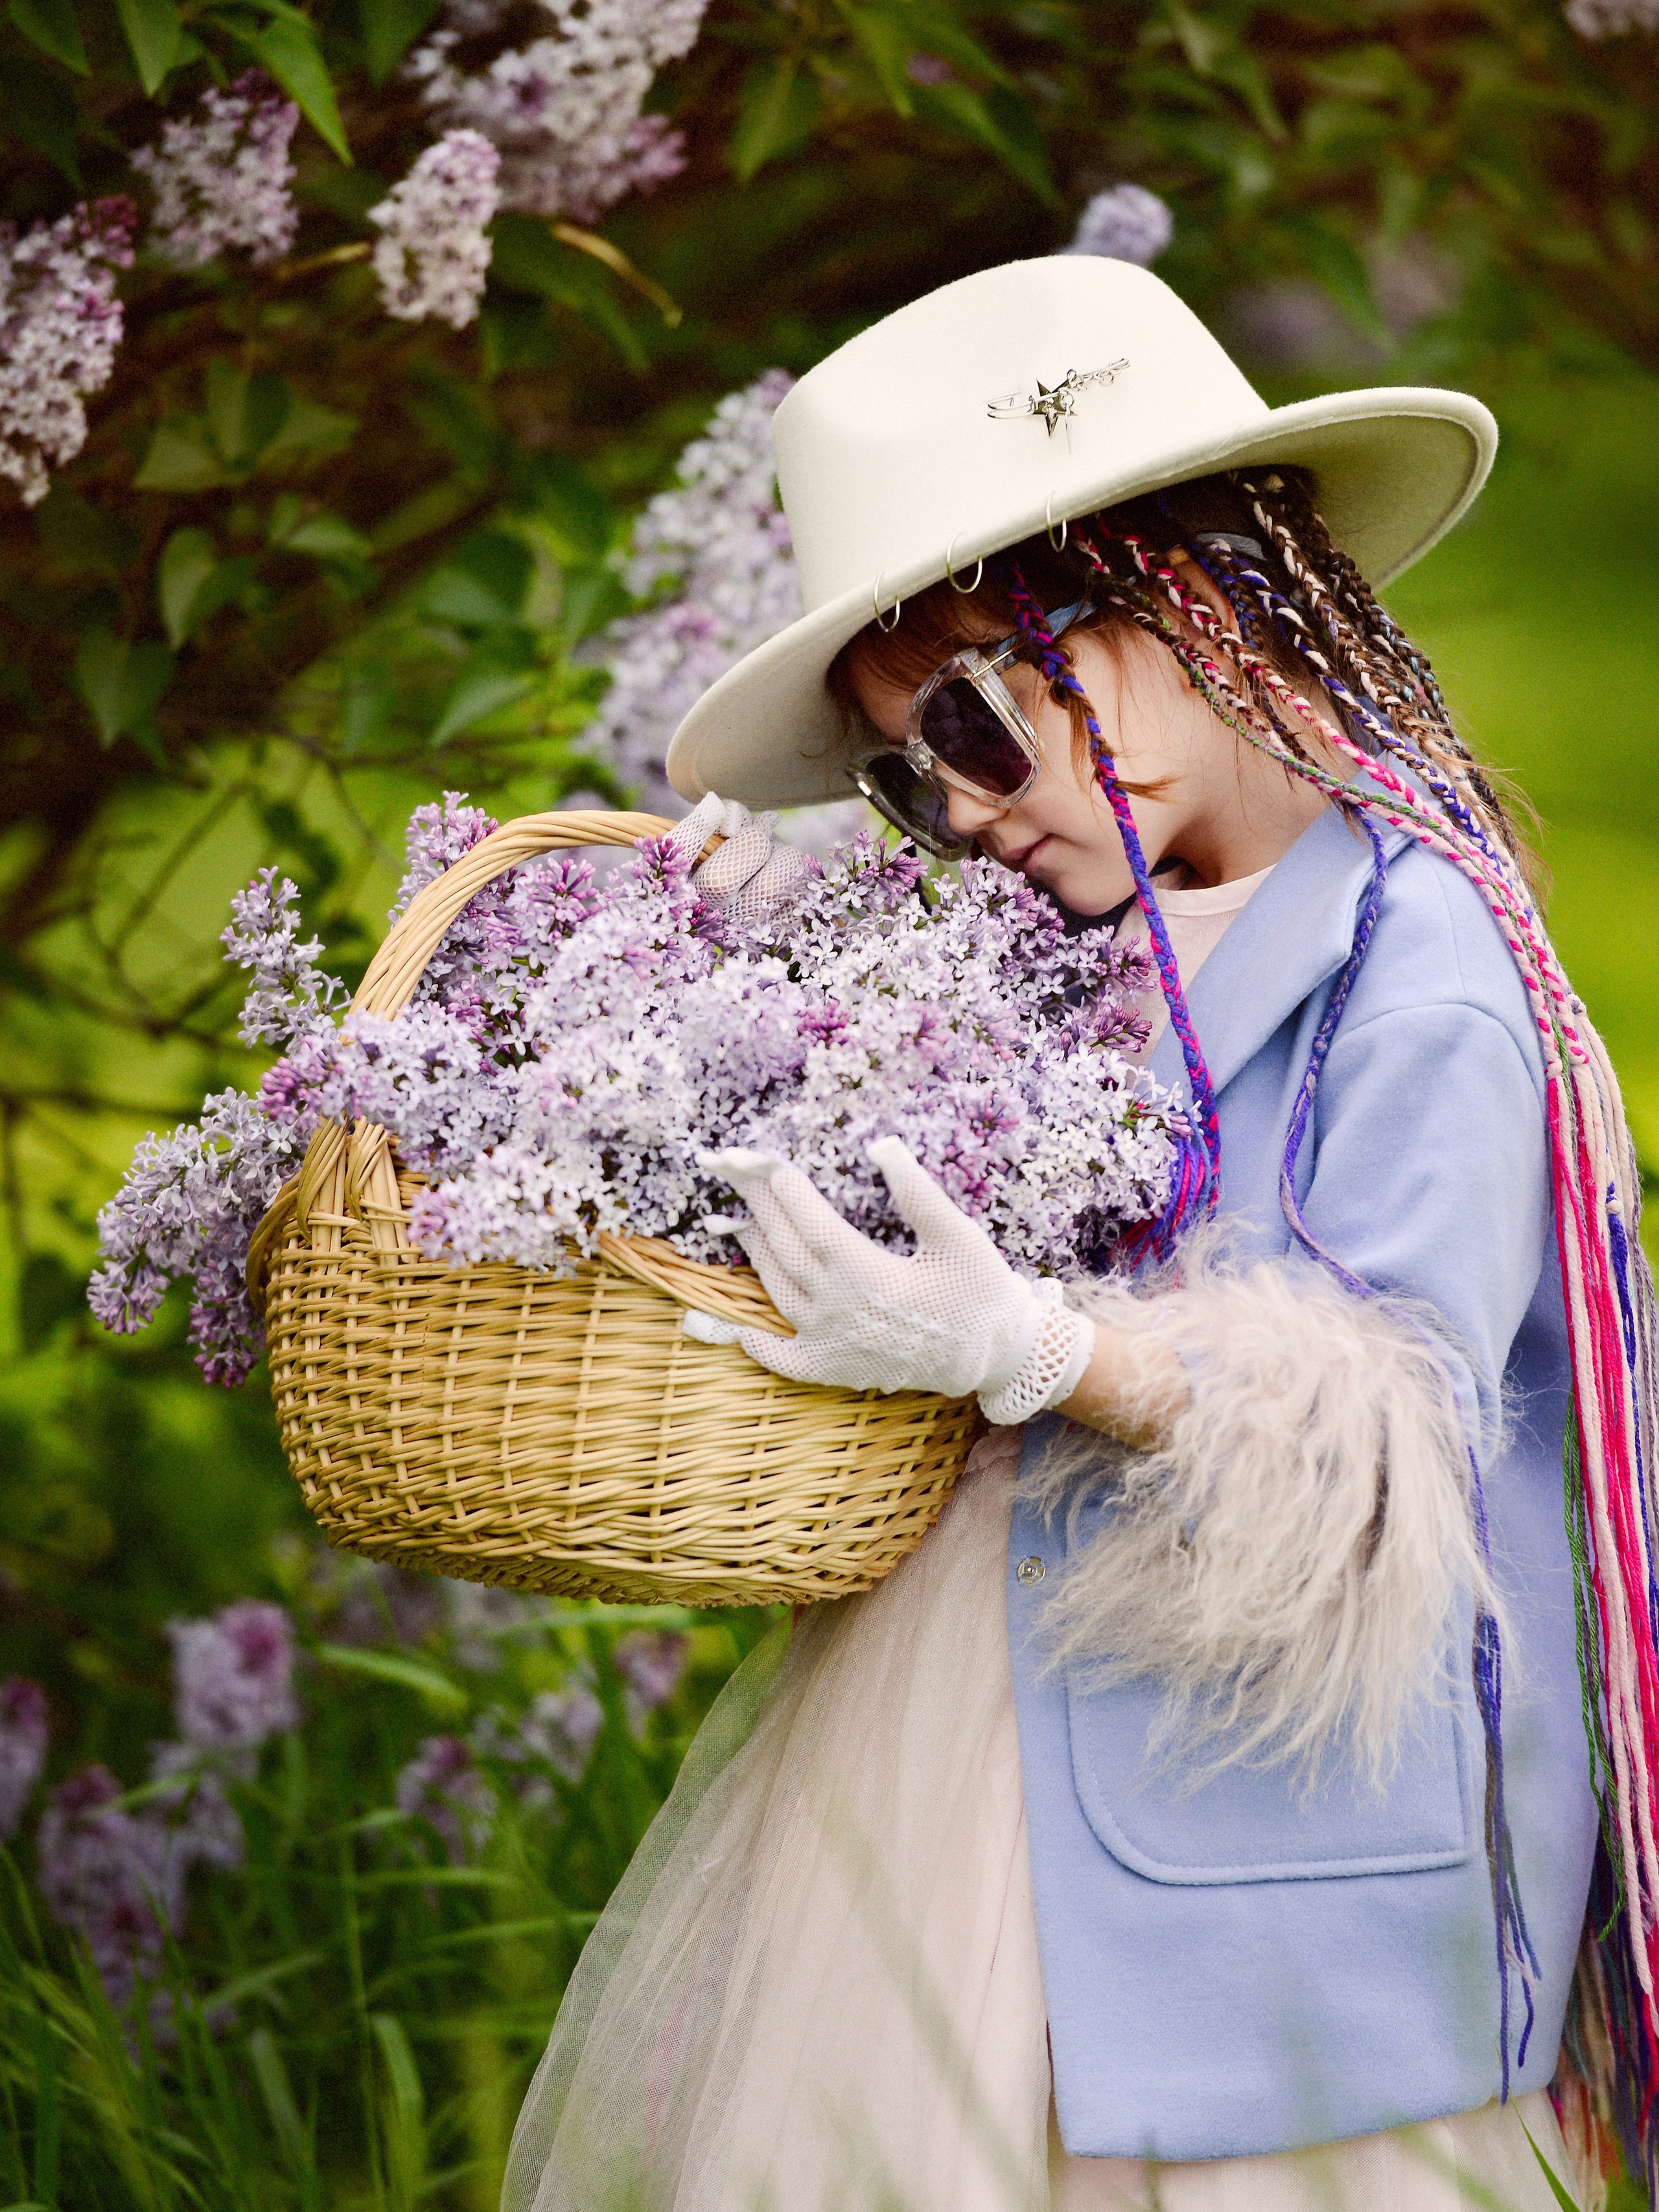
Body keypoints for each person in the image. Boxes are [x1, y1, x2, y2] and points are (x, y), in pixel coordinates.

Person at [503, 257, 1657, 2212]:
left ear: (1168, 611)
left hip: (1276, 1843)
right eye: (896, 775)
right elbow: (1021, 1089)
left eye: (964, 725)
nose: (948, 813)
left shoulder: (1430, 970)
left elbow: (1401, 1424)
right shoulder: (1094, 914)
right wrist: (816, 964)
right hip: (989, 1757)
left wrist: (1056, 1356)